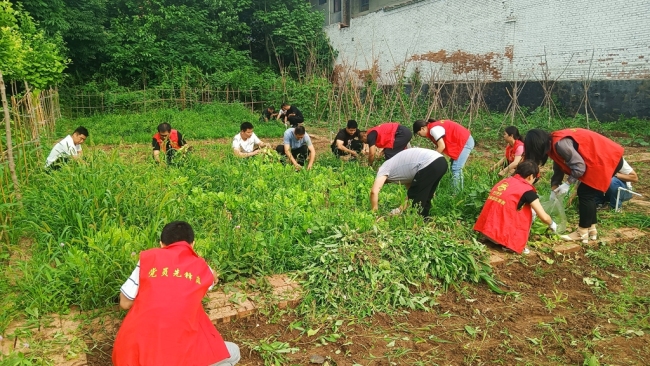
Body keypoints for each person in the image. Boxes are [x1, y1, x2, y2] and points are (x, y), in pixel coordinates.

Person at [112, 221, 240, 366]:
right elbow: (214, 277)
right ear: (193, 244)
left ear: (161, 244)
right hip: (177, 354)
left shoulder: (148, 259)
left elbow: (124, 302)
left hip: (129, 356)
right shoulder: (201, 267)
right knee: (233, 353)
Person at [524, 128, 624, 243]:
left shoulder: (560, 144)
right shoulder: (553, 144)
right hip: (605, 157)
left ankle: (581, 232)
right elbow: (559, 166)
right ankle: (591, 229)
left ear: (537, 146)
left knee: (585, 193)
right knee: (587, 193)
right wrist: (554, 186)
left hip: (606, 158)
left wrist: (567, 183)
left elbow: (579, 167)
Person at [474, 161, 557, 255]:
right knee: (531, 211)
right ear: (530, 176)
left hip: (484, 229)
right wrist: (552, 224)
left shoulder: (504, 181)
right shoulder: (527, 191)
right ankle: (509, 245)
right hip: (498, 237)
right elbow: (544, 217)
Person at [370, 147, 448, 218]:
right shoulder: (399, 169)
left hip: (429, 162)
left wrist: (375, 213)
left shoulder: (383, 169)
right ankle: (424, 219)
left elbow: (374, 192)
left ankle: (416, 222)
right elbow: (411, 193)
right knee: (426, 195)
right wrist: (399, 210)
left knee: (418, 200)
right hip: (441, 162)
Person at [413, 118, 474, 191]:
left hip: (465, 142)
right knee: (453, 167)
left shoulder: (433, 129)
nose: (421, 136)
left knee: (456, 168)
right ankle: (457, 189)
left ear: (422, 128)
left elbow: (441, 146)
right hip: (461, 142)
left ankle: (456, 193)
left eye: (419, 134)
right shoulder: (433, 127)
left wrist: (430, 159)